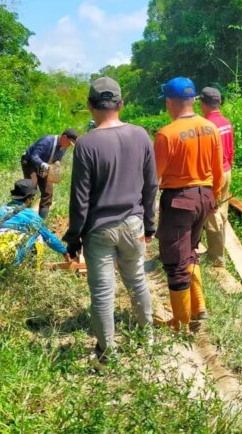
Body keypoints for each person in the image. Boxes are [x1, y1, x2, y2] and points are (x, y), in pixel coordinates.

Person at [64, 77, 158, 362]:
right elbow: (151, 185)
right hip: (133, 224)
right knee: (137, 281)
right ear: (121, 104)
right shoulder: (141, 135)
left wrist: (73, 238)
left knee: (103, 293)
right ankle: (148, 339)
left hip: (99, 231)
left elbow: (80, 199)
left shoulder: (87, 144)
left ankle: (108, 352)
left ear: (90, 106)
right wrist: (150, 224)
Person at [154, 77, 223, 331]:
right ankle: (199, 307)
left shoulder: (166, 134)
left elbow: (154, 178)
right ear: (193, 100)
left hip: (178, 202)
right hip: (204, 197)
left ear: (169, 102)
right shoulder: (210, 128)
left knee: (175, 261)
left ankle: (180, 321)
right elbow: (217, 171)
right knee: (191, 251)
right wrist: (211, 199)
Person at [0, 179, 69, 268]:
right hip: (11, 259)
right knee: (39, 235)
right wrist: (64, 251)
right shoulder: (31, 215)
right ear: (29, 198)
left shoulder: (0, 210)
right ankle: (35, 269)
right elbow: (49, 237)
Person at [200, 87, 234, 268]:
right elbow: (231, 149)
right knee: (222, 211)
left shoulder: (206, 125)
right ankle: (219, 249)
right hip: (227, 170)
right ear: (219, 102)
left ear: (202, 104)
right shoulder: (226, 122)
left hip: (214, 174)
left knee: (212, 215)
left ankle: (216, 259)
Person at [21, 128, 78, 219]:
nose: (69, 146)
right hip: (30, 162)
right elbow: (34, 156)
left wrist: (57, 164)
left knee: (48, 192)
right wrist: (42, 164)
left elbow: (57, 159)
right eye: (69, 143)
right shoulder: (47, 141)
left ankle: (41, 222)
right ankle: (22, 216)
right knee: (32, 188)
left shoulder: (64, 147)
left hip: (45, 166)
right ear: (64, 137)